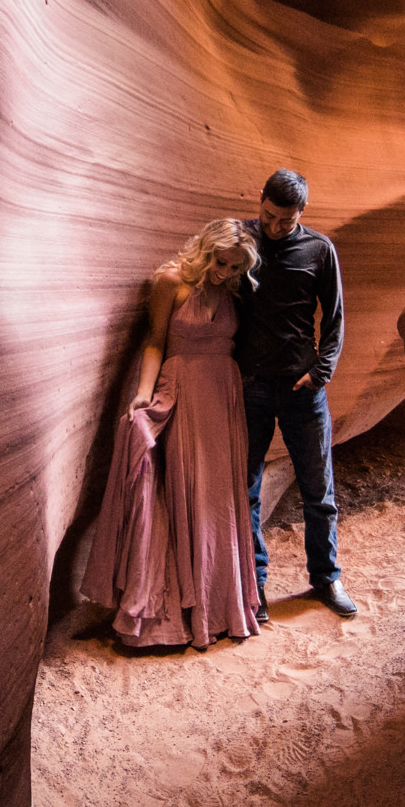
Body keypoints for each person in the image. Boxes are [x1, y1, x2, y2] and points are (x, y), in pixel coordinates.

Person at [79, 220, 264, 648]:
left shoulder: (233, 288)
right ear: (205, 250)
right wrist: (143, 394)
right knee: (184, 494)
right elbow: (154, 342)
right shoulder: (171, 281)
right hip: (182, 391)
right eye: (220, 262)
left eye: (234, 267)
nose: (224, 272)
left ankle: (220, 609)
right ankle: (179, 615)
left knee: (218, 501)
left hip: (223, 397)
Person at [239, 169, 357, 619]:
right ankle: (255, 585)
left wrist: (321, 372)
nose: (272, 227)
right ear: (261, 201)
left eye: (283, 221)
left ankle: (326, 579)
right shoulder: (242, 239)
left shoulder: (319, 250)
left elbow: (335, 318)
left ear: (301, 213)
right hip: (250, 387)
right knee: (245, 488)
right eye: (267, 216)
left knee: (318, 489)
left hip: (300, 389)